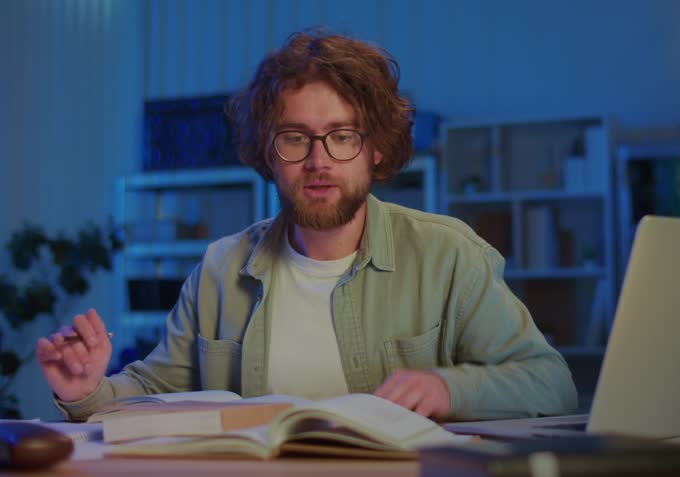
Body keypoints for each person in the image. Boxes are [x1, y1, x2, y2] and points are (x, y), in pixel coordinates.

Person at [36, 29, 578, 422]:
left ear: (377, 149)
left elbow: (550, 383)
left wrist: (447, 388)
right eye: (295, 137)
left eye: (342, 136)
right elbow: (155, 389)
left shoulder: (449, 254)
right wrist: (86, 390)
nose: (318, 160)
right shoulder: (221, 268)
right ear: (268, 155)